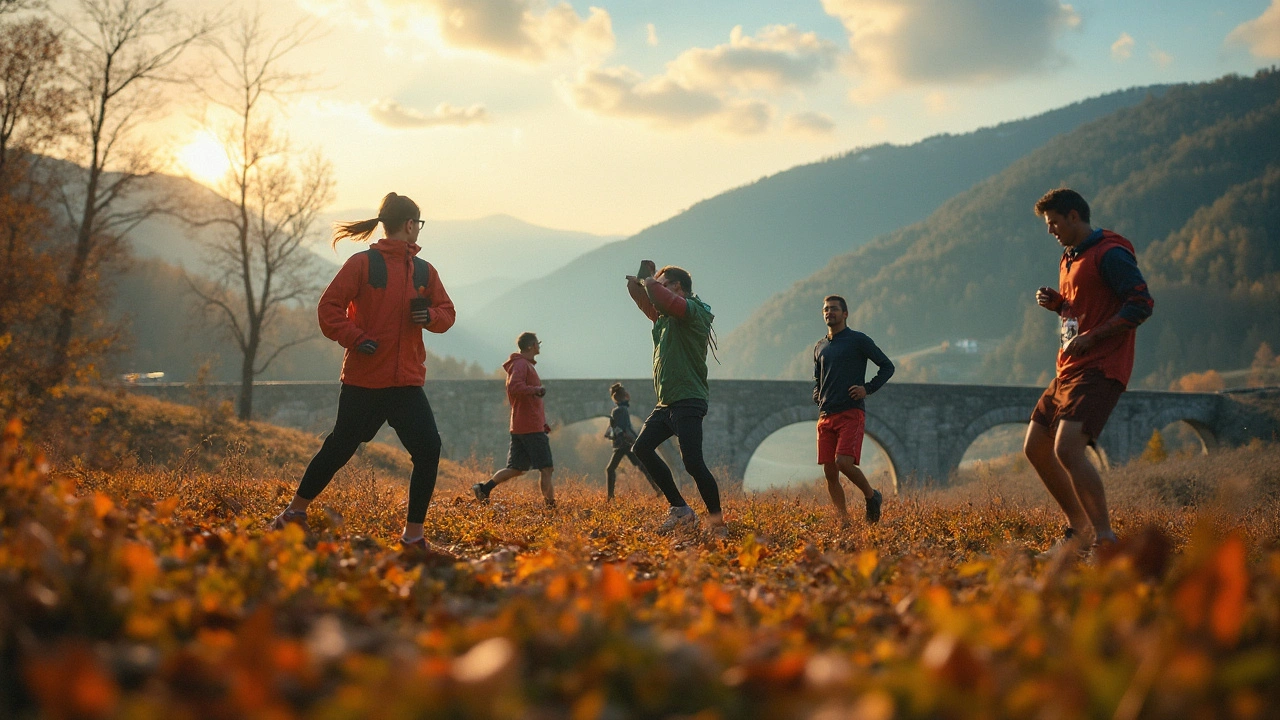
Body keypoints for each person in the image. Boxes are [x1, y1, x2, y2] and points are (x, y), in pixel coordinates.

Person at [269, 192, 456, 553]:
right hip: (365, 380)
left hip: (406, 383)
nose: (418, 230)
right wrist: (355, 337)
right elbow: (329, 309)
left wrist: (429, 317)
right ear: (408, 225)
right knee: (340, 446)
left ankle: (413, 537)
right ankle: (293, 513)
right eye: (417, 224)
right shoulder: (363, 265)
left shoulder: (423, 271)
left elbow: (447, 313)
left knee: (428, 450)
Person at [1026, 188, 1154, 553]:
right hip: (1069, 367)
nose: (1050, 231)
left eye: (1053, 223)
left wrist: (1093, 337)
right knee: (1035, 446)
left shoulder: (1110, 253)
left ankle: (1104, 538)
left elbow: (1141, 304)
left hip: (1100, 366)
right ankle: (1079, 528)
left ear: (1073, 216)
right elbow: (1085, 308)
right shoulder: (1069, 258)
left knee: (1067, 449)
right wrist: (1059, 305)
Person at [625, 262, 726, 536]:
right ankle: (680, 510)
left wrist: (649, 280)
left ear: (678, 287)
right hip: (667, 402)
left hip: (689, 399)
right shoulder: (664, 318)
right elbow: (642, 295)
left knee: (693, 463)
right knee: (642, 448)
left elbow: (659, 296)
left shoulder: (693, 311)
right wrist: (645, 274)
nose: (658, 288)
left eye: (664, 283)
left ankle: (718, 524)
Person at [813, 295, 894, 526]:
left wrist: (867, 389)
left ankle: (872, 496)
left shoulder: (858, 340)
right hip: (825, 415)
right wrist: (817, 397)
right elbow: (817, 379)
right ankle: (844, 520)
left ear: (845, 313)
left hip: (851, 412)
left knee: (843, 463)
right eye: (826, 309)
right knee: (830, 472)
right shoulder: (820, 347)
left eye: (835, 309)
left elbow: (887, 367)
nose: (830, 312)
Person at [472, 332, 556, 508]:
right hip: (530, 427)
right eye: (537, 343)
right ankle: (550, 507)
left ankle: (484, 489)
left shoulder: (522, 365)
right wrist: (536, 390)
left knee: (517, 469)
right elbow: (514, 386)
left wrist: (542, 422)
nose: (539, 346)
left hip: (523, 425)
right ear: (530, 346)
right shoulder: (521, 365)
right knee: (546, 468)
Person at [603, 382, 660, 500]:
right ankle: (657, 489)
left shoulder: (617, 410)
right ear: (624, 396)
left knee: (610, 469)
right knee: (641, 466)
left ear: (614, 398)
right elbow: (626, 427)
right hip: (629, 443)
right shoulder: (624, 409)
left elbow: (619, 428)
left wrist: (616, 435)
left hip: (621, 445)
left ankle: (610, 497)